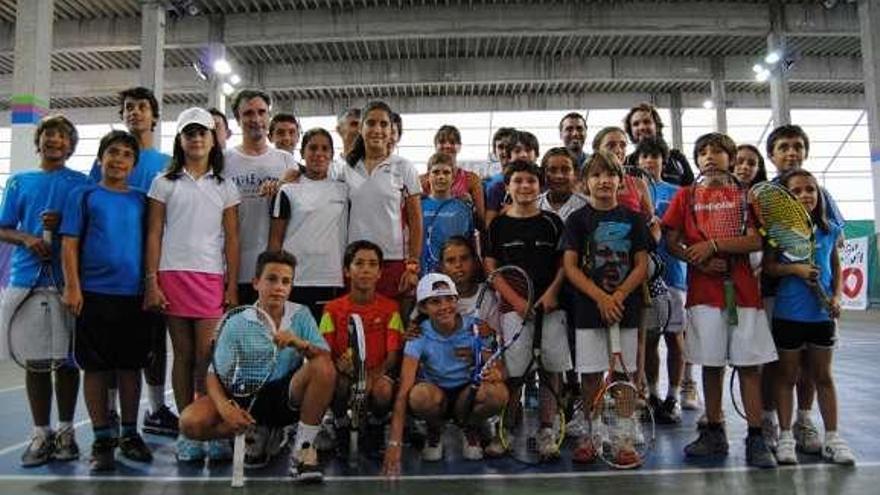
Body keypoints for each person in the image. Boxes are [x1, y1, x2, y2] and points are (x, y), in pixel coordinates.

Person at [662, 132, 777, 468]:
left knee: (748, 368)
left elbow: (757, 241)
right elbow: (671, 241)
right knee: (711, 365)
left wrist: (714, 246)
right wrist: (695, 258)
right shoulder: (685, 196)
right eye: (703, 152)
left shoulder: (747, 196)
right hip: (703, 296)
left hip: (743, 296)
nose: (709, 156)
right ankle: (714, 431)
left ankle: (756, 437)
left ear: (731, 158)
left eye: (717, 151)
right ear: (696, 161)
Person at [178, 250, 336, 482]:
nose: (279, 287)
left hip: (285, 397)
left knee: (323, 368)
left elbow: (324, 358)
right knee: (190, 423)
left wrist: (299, 343)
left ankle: (302, 451)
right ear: (256, 283)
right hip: (245, 395)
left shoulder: (300, 315)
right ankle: (251, 429)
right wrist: (225, 409)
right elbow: (213, 374)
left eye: (286, 281)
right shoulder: (238, 321)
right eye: (271, 279)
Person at [144, 107, 241, 462]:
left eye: (202, 132)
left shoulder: (225, 186)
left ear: (213, 139)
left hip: (210, 278)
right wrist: (151, 281)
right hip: (172, 276)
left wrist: (231, 285)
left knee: (207, 357)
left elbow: (232, 239)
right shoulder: (163, 182)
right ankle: (189, 431)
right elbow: (153, 233)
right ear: (180, 140)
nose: (196, 138)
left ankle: (209, 425)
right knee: (182, 356)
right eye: (189, 133)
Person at [60, 130, 153, 472]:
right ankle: (102, 438)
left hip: (134, 297)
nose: (118, 160)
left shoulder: (142, 200)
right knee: (96, 369)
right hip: (94, 295)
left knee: (131, 367)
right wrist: (73, 287)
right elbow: (69, 244)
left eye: (126, 155)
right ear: (101, 158)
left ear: (133, 163)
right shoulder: (83, 195)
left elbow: (151, 245)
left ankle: (130, 433)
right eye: (112, 153)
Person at [88, 86, 177, 439]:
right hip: (108, 278)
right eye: (128, 107)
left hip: (152, 269)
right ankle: (108, 413)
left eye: (142, 107)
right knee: (110, 352)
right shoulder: (106, 161)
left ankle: (155, 409)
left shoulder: (166, 164)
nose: (135, 112)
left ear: (154, 116)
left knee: (153, 343)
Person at [0, 115, 89, 467]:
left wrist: (62, 226)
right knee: (36, 362)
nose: (54, 140)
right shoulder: (20, 181)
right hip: (26, 282)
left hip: (68, 284)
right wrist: (26, 237)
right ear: (39, 141)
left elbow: (87, 230)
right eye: (48, 134)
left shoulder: (81, 183)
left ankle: (66, 431)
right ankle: (41, 432)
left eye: (62, 135)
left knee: (67, 361)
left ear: (70, 145)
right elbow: (3, 227)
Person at [561, 151, 649, 464]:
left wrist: (619, 295)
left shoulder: (634, 219)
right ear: (585, 183)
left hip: (626, 307)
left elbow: (642, 264)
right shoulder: (577, 220)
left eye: (610, 175)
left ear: (620, 181)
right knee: (590, 376)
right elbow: (570, 267)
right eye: (596, 175)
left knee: (624, 375)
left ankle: (624, 439)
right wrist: (600, 297)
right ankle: (592, 432)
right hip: (589, 309)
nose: (603, 181)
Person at [763, 170, 855, 466]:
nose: (806, 195)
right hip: (789, 314)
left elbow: (836, 266)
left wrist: (838, 296)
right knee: (787, 377)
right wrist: (795, 270)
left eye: (811, 190)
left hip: (821, 315)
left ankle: (832, 438)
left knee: (823, 377)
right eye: (798, 191)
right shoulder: (778, 232)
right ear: (788, 198)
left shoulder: (827, 229)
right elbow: (770, 268)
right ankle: (787, 437)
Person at [759, 124, 841, 454]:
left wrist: (835, 294)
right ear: (772, 154)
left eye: (797, 146)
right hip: (775, 297)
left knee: (813, 367)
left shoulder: (824, 199)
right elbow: (766, 255)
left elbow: (832, 247)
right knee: (777, 366)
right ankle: (773, 425)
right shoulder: (765, 195)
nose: (791, 152)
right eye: (784, 147)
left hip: (816, 306)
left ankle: (804, 422)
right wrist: (791, 269)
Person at [484, 160, 570, 459]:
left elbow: (564, 264)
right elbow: (491, 267)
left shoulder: (553, 222)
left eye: (531, 181)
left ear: (540, 185)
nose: (525, 186)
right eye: (518, 181)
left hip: (551, 309)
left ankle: (546, 429)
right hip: (513, 311)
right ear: (507, 187)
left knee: (551, 370)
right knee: (514, 373)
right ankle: (506, 428)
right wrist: (516, 301)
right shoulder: (498, 224)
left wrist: (551, 294)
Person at [382, 273, 509, 476]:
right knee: (418, 395)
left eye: (449, 299)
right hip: (436, 396)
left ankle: (470, 427)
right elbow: (403, 391)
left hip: (467, 395)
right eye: (435, 302)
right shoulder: (418, 335)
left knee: (498, 393)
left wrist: (495, 372)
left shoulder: (476, 328)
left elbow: (500, 367)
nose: (444, 306)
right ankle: (434, 428)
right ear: (423, 307)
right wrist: (394, 443)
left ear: (457, 301)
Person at [319, 241, 404, 451]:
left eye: (373, 264)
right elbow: (324, 351)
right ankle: (339, 424)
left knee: (384, 390)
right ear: (347, 271)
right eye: (359, 263)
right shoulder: (331, 309)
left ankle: (375, 427)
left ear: (379, 273)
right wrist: (338, 366)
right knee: (335, 382)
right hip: (345, 375)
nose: (366, 269)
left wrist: (373, 378)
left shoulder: (391, 308)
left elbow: (393, 355)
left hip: (377, 373)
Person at [342, 101, 422, 302]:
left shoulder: (404, 167)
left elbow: (416, 222)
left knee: (391, 326)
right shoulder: (344, 169)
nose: (377, 130)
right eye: (371, 123)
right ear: (361, 128)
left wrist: (412, 265)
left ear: (391, 130)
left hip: (392, 261)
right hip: (355, 261)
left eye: (384, 124)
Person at [225, 89, 297, 304]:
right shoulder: (224, 160)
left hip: (273, 271)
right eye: (248, 114)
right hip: (233, 269)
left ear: (268, 116)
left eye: (261, 112)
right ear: (238, 119)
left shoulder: (285, 160)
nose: (255, 119)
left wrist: (281, 184)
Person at [635, 137, 688, 424]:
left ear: (662, 161)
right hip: (644, 279)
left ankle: (674, 396)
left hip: (674, 276)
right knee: (650, 340)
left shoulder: (678, 192)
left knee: (676, 339)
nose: (648, 162)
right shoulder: (630, 190)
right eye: (643, 158)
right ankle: (653, 394)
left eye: (653, 157)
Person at [269, 128, 347, 321]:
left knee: (324, 344)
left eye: (325, 149)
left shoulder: (344, 190)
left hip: (331, 279)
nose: (319, 154)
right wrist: (273, 278)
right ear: (302, 153)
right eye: (312, 148)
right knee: (293, 344)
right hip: (295, 279)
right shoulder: (287, 190)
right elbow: (275, 240)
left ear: (331, 154)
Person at [420, 152, 475, 273]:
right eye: (436, 172)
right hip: (423, 273)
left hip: (454, 273)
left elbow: (470, 242)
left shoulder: (463, 208)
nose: (441, 177)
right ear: (428, 176)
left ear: (453, 178)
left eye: (446, 172)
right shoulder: (418, 206)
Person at [423, 125, 486, 226]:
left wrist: (470, 207)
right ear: (435, 146)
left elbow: (481, 220)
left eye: (452, 142)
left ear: (459, 146)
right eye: (442, 142)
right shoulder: (422, 180)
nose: (447, 146)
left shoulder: (471, 179)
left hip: (459, 236)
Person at [623, 102, 694, 186]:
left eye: (647, 122)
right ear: (630, 130)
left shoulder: (677, 158)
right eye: (636, 124)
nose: (642, 127)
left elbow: (691, 190)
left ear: (657, 126)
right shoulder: (626, 162)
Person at [485, 130, 539, 227]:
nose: (523, 155)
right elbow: (489, 224)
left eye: (528, 150)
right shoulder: (497, 186)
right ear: (509, 156)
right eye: (517, 151)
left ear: (537, 154)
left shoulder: (547, 181)